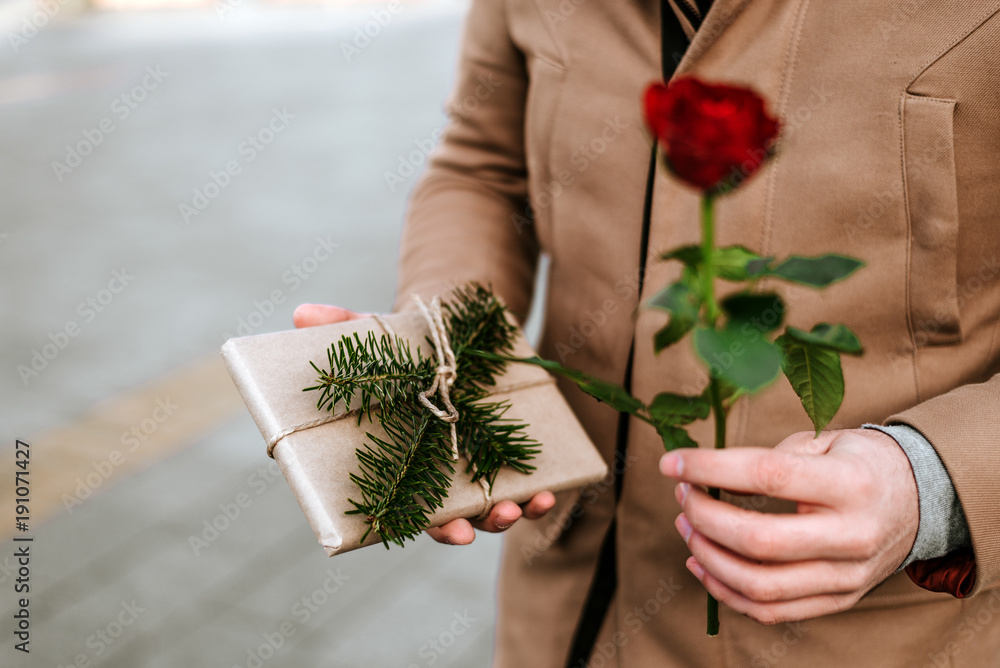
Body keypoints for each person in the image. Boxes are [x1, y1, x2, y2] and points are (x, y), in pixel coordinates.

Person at [295, 1, 1000, 665]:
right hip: (569, 612)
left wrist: (931, 484)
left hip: (873, 638)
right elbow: (483, 166)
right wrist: (447, 347)